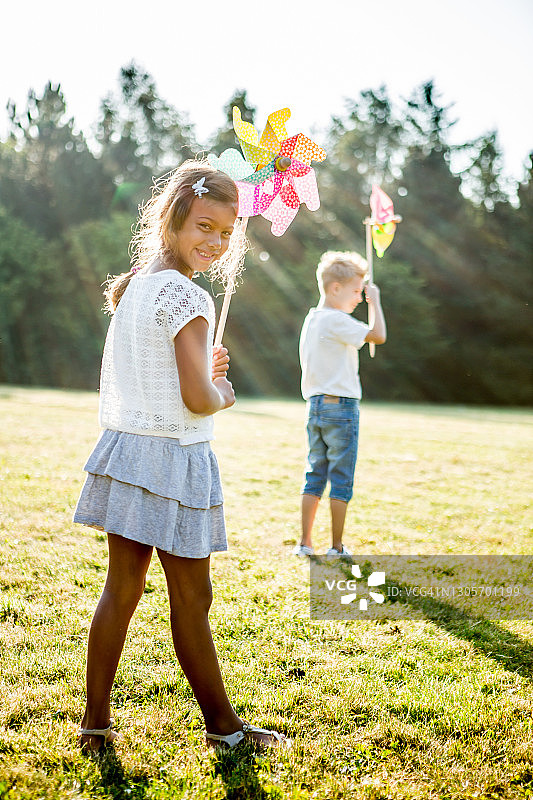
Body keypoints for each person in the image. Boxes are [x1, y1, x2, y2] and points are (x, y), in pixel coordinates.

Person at [74, 160, 289, 752]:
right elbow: (197, 398)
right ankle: (224, 729)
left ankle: (94, 724)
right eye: (204, 225)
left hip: (129, 451)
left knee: (121, 589)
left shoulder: (135, 288)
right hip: (172, 459)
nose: (215, 242)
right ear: (172, 220)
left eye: (227, 232)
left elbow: (155, 376)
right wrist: (221, 390)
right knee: (193, 599)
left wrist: (199, 371)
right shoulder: (186, 296)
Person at [294, 250, 386, 558]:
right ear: (335, 289)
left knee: (314, 474)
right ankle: (336, 546)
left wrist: (366, 299)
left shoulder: (313, 319)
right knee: (341, 478)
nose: (360, 298)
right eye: (357, 292)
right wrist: (376, 302)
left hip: (316, 405)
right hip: (341, 408)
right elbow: (378, 335)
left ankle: (305, 543)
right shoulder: (337, 319)